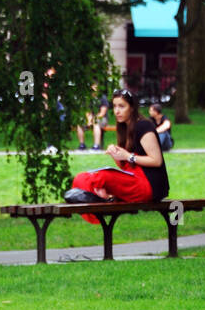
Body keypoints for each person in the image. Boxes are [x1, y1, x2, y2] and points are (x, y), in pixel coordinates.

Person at [63, 88, 170, 224]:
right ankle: (102, 197)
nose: (117, 111)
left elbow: (156, 161)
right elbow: (126, 166)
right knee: (81, 178)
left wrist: (128, 156)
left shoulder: (143, 126)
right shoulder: (124, 127)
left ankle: (102, 199)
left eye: (121, 106)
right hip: (134, 179)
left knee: (98, 178)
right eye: (114, 106)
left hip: (149, 185)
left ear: (132, 108)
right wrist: (117, 156)